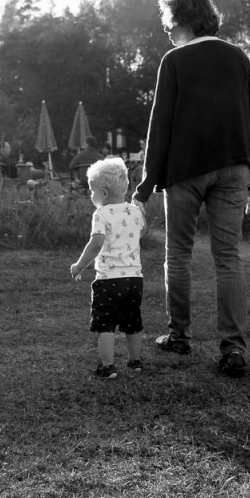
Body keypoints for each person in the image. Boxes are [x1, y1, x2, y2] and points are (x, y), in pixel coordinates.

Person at [132, 0, 250, 379]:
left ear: (183, 20)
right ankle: (234, 348)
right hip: (235, 167)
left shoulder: (175, 60)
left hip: (187, 169)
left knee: (179, 254)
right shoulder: (239, 57)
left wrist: (145, 184)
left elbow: (161, 125)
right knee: (229, 256)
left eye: (168, 24)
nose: (167, 32)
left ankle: (179, 336)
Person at [70, 156, 147, 379]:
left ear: (103, 193)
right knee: (132, 322)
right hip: (134, 279)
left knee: (106, 324)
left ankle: (108, 366)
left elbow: (96, 244)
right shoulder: (134, 211)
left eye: (92, 191)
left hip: (108, 280)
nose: (91, 195)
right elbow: (142, 232)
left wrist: (79, 266)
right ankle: (135, 363)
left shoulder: (101, 214)